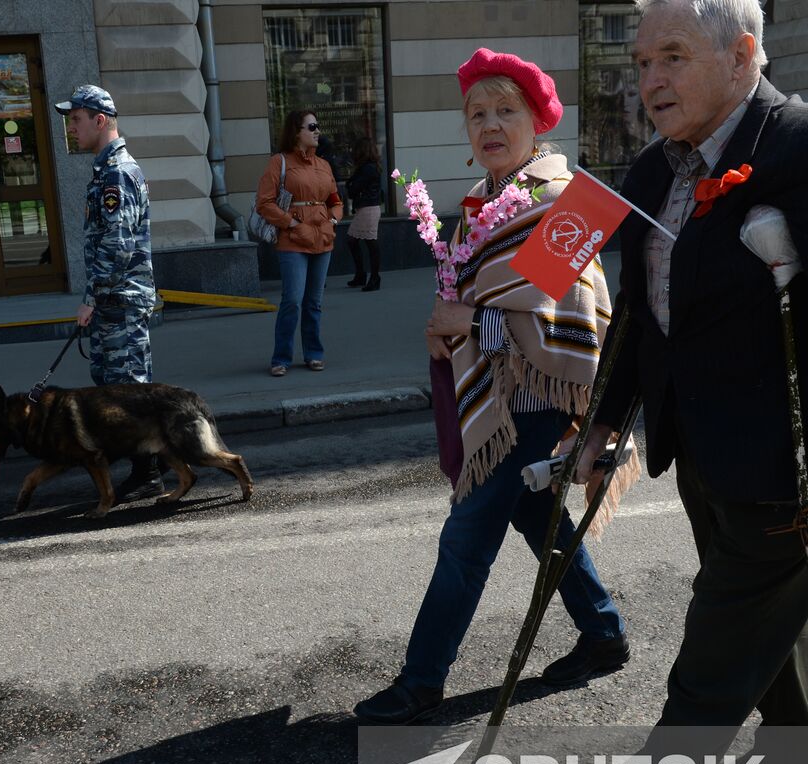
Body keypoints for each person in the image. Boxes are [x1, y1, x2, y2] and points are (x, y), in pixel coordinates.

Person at [537, 0, 808, 764]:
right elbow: (641, 315)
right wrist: (604, 420)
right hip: (707, 447)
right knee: (763, 622)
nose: (651, 80)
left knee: (716, 646)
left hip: (796, 454)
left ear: (743, 53)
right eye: (640, 63)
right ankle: (800, 759)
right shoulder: (649, 168)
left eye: (673, 56)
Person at [353, 48, 629, 725]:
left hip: (535, 404)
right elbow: (490, 307)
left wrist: (468, 320)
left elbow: (574, 323)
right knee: (540, 519)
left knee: (465, 541)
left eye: (507, 110)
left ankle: (422, 680)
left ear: (539, 121)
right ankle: (603, 634)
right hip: (501, 401)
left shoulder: (566, 203)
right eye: (477, 113)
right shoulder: (481, 207)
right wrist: (450, 332)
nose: (491, 124)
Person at [56, 84, 162, 501]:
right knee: (113, 387)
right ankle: (138, 465)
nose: (72, 129)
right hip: (112, 300)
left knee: (129, 390)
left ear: (100, 120)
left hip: (119, 299)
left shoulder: (118, 172)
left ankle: (150, 472)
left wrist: (91, 298)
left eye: (76, 120)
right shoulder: (106, 170)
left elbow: (117, 247)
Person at [256, 111, 342, 377]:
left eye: (318, 126)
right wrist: (292, 224)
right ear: (296, 131)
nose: (317, 131)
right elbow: (264, 203)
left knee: (314, 302)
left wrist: (332, 223)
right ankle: (281, 357)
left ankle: (313, 353)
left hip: (323, 238)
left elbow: (336, 202)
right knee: (292, 300)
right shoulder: (279, 162)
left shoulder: (324, 166)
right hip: (292, 241)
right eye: (312, 126)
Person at [345, 138, 383, 291]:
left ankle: (372, 278)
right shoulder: (369, 167)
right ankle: (363, 275)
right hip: (367, 208)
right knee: (355, 241)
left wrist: (350, 185)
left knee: (369, 243)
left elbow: (353, 189)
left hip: (368, 209)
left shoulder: (368, 168)